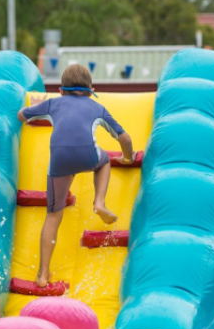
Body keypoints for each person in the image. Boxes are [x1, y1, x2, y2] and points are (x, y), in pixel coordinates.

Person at [17, 64, 133, 289]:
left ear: (61, 90)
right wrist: (127, 158)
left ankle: (42, 274)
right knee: (105, 161)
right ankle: (99, 202)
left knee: (53, 215)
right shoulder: (97, 107)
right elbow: (125, 138)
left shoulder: (53, 103)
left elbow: (21, 115)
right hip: (88, 156)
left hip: (60, 161)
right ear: (91, 90)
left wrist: (37, 107)